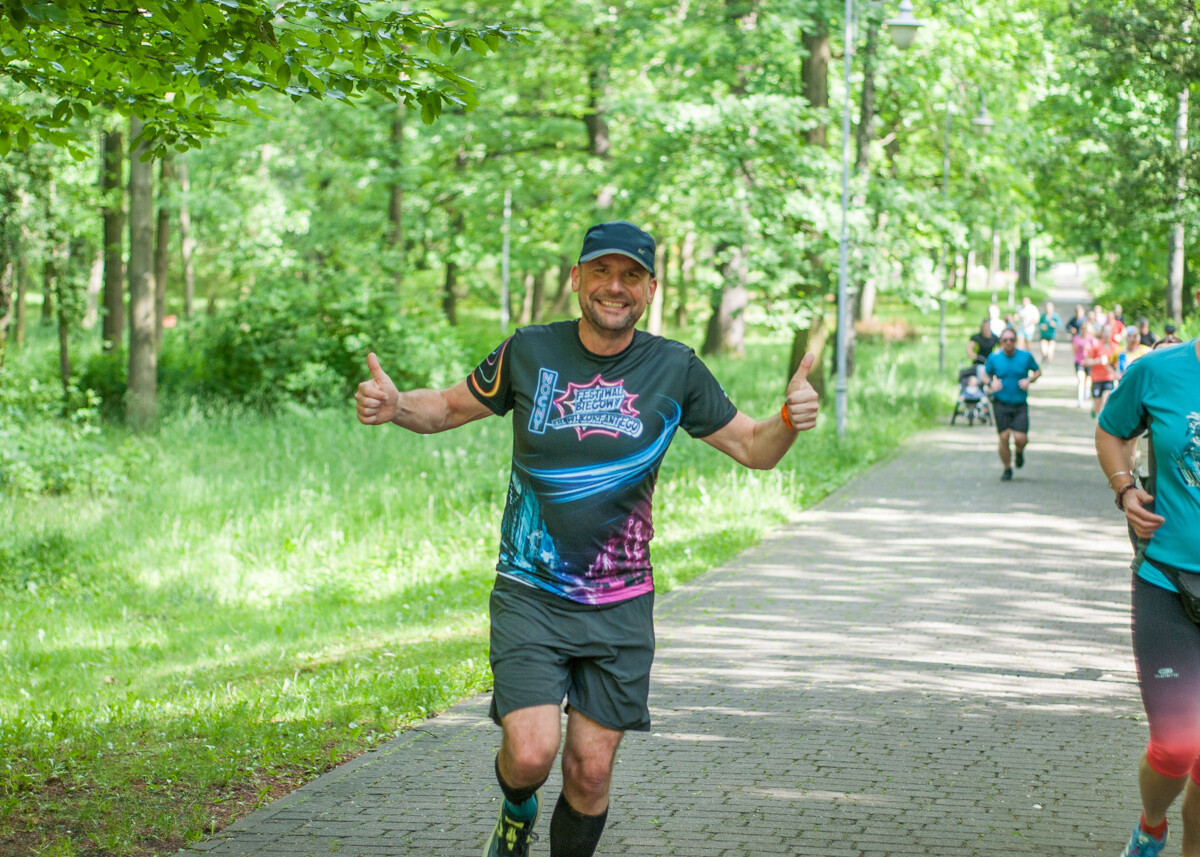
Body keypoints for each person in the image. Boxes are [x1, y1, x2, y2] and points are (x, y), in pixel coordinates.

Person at [354, 221, 820, 857]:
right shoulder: (529, 350)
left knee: (590, 772)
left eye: (630, 275)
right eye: (600, 271)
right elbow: (445, 408)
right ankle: (516, 812)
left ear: (650, 289)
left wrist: (789, 419)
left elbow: (752, 448)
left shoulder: (675, 367)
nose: (614, 287)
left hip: (620, 601)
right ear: (576, 279)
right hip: (530, 592)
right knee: (530, 753)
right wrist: (396, 403)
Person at [1094, 334, 1200, 857]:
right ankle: (1152, 826)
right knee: (1180, 745)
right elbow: (1111, 430)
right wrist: (1123, 486)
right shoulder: (1158, 371)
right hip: (1169, 582)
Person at [983, 328, 1042, 481]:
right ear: (1001, 342)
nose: (1008, 343)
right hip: (1001, 403)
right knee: (1003, 437)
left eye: (1011, 340)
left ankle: (1019, 451)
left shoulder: (1025, 356)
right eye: (1005, 340)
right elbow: (984, 374)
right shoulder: (994, 358)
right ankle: (1007, 468)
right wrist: (991, 383)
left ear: (1015, 341)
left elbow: (1037, 371)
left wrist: (1029, 380)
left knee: (1020, 438)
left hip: (1019, 404)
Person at [1087, 323, 1119, 419]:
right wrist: (1098, 361)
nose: (1106, 334)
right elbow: (1086, 361)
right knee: (1097, 404)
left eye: (1109, 332)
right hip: (1097, 378)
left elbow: (1118, 363)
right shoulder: (1096, 346)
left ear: (1111, 333)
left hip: (1109, 378)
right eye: (1105, 332)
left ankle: (1101, 423)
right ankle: (1094, 410)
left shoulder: (1115, 347)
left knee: (1105, 401)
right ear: (1102, 333)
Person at [1073, 321, 1097, 409]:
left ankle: (1087, 390)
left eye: (1085, 328)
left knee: (1088, 381)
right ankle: (1080, 399)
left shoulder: (1092, 339)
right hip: (1079, 362)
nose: (1084, 330)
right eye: (1082, 328)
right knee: (1080, 379)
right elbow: (1074, 349)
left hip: (1089, 362)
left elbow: (1095, 351)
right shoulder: (1076, 338)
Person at [1038, 300, 1061, 365]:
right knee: (1044, 351)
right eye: (1047, 308)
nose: (1048, 310)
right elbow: (1039, 323)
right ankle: (1044, 359)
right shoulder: (1042, 316)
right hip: (1043, 336)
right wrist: (1041, 326)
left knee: (1050, 352)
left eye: (1049, 308)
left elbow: (1059, 324)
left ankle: (1048, 363)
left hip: (1052, 337)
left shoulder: (1055, 316)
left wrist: (1054, 324)